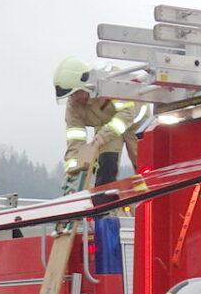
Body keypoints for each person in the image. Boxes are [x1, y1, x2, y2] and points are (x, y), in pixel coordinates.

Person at [55, 54, 155, 192]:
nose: (75, 98)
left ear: (85, 85)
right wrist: (72, 171)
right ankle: (105, 201)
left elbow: (127, 114)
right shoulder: (74, 106)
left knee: (144, 164)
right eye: (71, 95)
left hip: (136, 124)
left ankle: (150, 195)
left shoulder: (111, 81)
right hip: (107, 128)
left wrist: (103, 136)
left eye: (76, 93)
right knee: (106, 166)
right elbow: (75, 141)